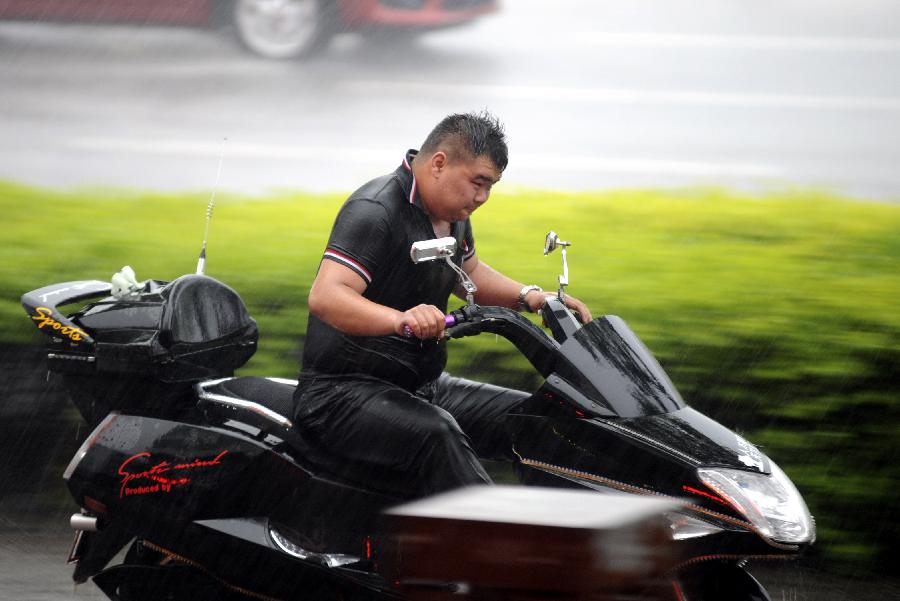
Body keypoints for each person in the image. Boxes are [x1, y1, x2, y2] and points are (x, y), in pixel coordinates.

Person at [294, 111, 592, 498]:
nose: (483, 197)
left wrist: (533, 297)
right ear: (439, 163)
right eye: (478, 182)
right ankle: (500, 542)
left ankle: (573, 529)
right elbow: (326, 296)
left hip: (422, 385)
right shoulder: (376, 210)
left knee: (539, 423)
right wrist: (400, 319)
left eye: (491, 186)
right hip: (339, 394)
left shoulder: (450, 214)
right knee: (438, 434)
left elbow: (468, 274)